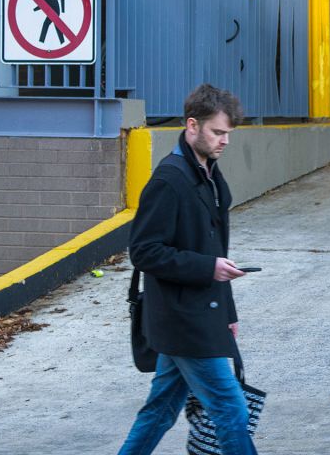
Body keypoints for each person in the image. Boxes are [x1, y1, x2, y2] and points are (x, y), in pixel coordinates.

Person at [118, 84, 256, 455]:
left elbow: (215, 250)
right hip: (183, 320)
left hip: (197, 313)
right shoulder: (169, 180)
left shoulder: (208, 171)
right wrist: (207, 268)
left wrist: (228, 312)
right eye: (218, 132)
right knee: (230, 408)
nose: (225, 141)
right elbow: (144, 252)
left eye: (228, 134)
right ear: (192, 126)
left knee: (160, 410)